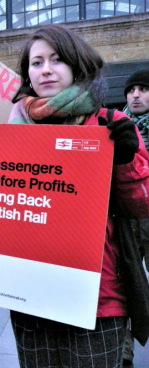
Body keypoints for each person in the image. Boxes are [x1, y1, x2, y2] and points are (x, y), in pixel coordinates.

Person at [0, 24, 149, 368]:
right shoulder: (11, 130)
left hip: (97, 298)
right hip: (30, 294)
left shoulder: (111, 124)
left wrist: (124, 160)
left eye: (56, 60)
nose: (45, 69)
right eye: (36, 62)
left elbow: (140, 205)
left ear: (76, 64)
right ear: (27, 73)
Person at [122, 68, 149, 366]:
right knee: (128, 284)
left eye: (143, 89)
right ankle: (124, 354)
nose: (135, 95)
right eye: (131, 90)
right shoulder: (118, 127)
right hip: (128, 219)